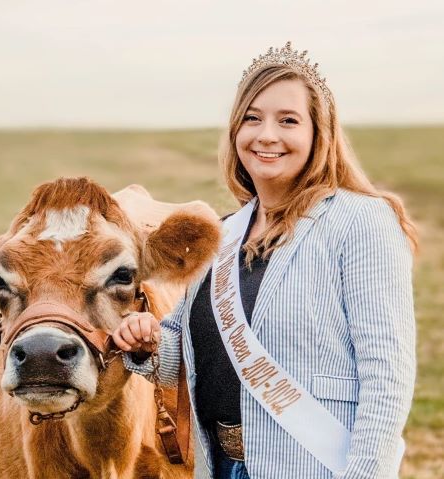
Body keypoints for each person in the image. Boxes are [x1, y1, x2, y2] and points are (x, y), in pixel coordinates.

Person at [112, 42, 417, 479]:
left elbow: (387, 376)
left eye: (288, 120)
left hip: (315, 466)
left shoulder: (360, 221)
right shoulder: (225, 233)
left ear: (319, 134)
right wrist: (145, 341)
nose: (267, 135)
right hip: (220, 464)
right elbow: (187, 355)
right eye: (252, 118)